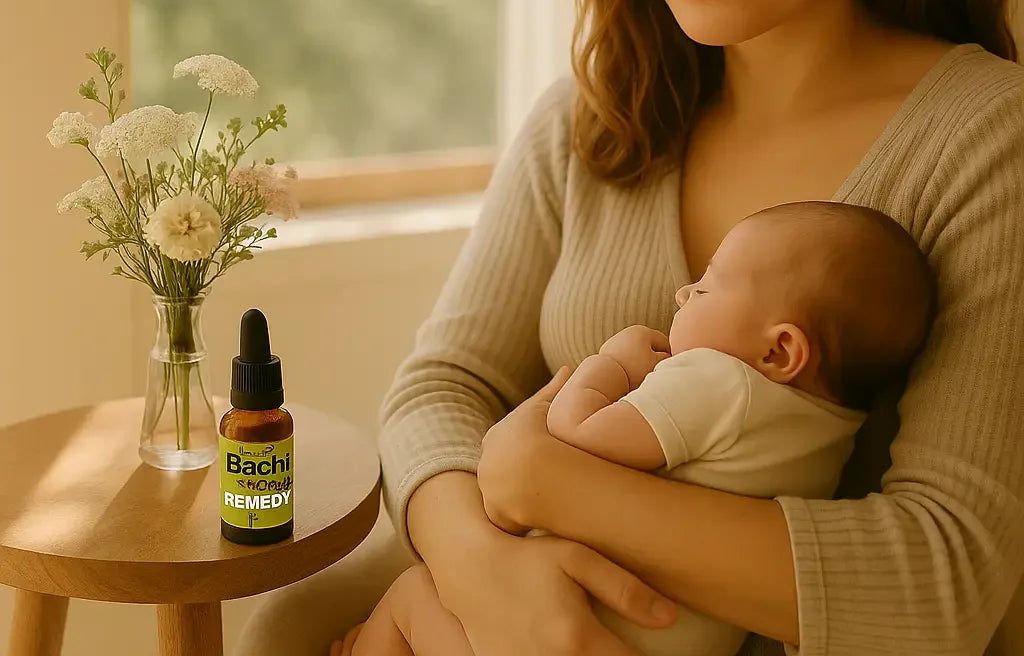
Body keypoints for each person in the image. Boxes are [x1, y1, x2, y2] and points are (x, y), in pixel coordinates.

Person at [232, 0, 1024, 653]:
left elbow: (940, 581)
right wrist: (482, 564)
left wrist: (542, 479)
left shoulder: (986, 141)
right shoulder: (593, 117)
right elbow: (442, 387)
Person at [335, 200, 940, 656]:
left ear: (779, 351)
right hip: (670, 638)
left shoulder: (718, 381)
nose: (682, 293)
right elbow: (442, 383)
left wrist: (611, 365)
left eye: (707, 287)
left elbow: (580, 436)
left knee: (411, 596)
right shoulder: (831, 427)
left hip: (577, 621)